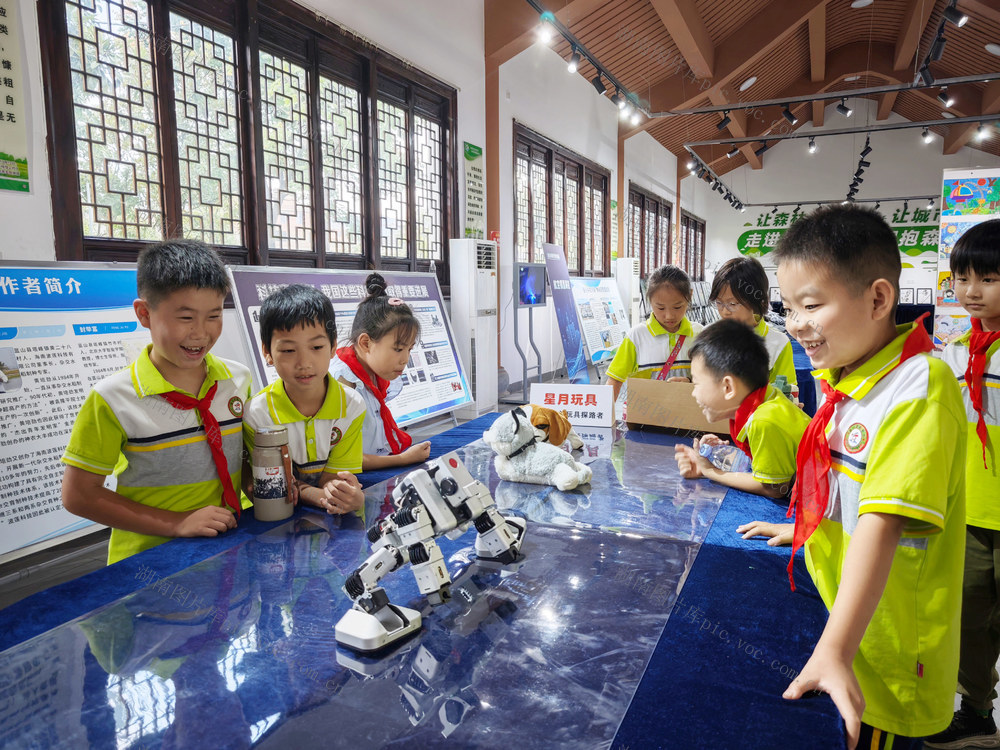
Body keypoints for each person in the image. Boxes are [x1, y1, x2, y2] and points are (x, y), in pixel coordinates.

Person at [756, 204, 966, 750]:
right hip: (846, 616)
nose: (796, 322)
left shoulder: (918, 385)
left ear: (877, 298)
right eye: (787, 307)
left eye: (811, 305)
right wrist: (809, 526)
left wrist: (836, 650)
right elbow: (847, 487)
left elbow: (883, 519)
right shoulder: (847, 378)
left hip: (883, 649)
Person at [61, 239, 252, 564]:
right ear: (144, 313)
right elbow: (78, 495)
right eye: (186, 317)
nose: (201, 333)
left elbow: (244, 460)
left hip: (231, 548)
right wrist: (177, 523)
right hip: (150, 564)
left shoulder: (237, 380)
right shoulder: (113, 398)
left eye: (214, 315)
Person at [926, 218, 1000, 749]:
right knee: (970, 619)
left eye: (989, 279)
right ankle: (976, 711)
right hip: (973, 512)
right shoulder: (956, 354)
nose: (971, 291)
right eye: (962, 278)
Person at [243, 284, 366, 516]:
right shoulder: (257, 414)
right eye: (289, 350)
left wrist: (342, 493)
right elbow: (276, 487)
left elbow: (333, 478)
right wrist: (324, 497)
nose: (304, 363)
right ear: (267, 352)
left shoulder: (351, 405)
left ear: (333, 347)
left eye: (317, 347)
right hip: (275, 518)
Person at [673, 319, 810, 500]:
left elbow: (774, 488)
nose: (694, 394)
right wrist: (712, 458)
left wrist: (710, 472)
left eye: (697, 383)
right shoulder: (766, 399)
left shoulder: (764, 420)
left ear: (728, 387)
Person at [329, 272, 430, 470]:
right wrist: (403, 459)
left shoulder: (372, 373)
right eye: (398, 349)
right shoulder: (344, 384)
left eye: (409, 349)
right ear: (366, 343)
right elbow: (342, 459)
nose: (405, 359)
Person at [605, 264, 702, 401]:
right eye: (660, 308)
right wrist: (606, 416)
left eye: (677, 307)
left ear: (690, 295)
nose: (669, 316)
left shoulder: (700, 334)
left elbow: (713, 381)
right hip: (646, 418)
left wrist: (690, 382)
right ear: (649, 299)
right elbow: (615, 381)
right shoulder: (636, 336)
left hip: (688, 417)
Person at [708, 256, 797, 393]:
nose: (724, 312)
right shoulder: (709, 337)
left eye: (732, 304)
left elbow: (786, 391)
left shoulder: (778, 343)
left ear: (758, 301)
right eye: (719, 303)